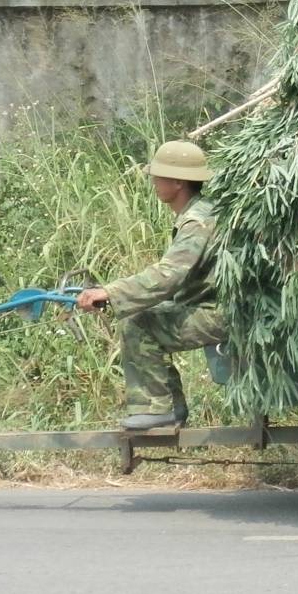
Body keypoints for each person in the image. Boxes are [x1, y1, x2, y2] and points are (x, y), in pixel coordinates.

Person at [76, 140, 221, 431]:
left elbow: (168, 276)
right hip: (208, 304)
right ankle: (172, 408)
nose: (153, 181)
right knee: (143, 314)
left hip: (219, 311)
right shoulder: (202, 211)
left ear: (178, 181)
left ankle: (158, 409)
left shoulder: (197, 222)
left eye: (158, 175)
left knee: (138, 322)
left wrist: (110, 292)